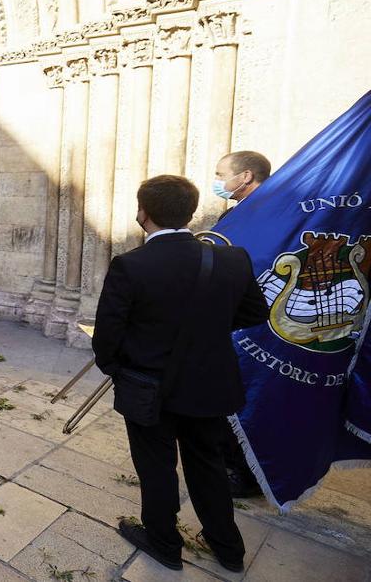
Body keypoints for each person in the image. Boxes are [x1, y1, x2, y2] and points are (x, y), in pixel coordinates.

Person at [93, 175, 267, 574]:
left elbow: (108, 336)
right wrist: (208, 332)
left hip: (148, 386)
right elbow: (255, 313)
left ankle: (164, 542)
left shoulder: (131, 265)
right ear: (190, 213)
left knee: (156, 465)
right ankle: (228, 548)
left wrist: (120, 370)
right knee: (207, 463)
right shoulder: (231, 258)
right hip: (210, 381)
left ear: (143, 212)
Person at [211, 150, 272, 498]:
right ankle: (230, 462)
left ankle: (242, 472)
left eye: (221, 174)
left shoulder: (269, 216)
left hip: (254, 323)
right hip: (233, 320)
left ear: (245, 176)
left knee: (245, 396)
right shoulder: (243, 213)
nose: (218, 181)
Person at [213, 150, 271, 219]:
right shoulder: (228, 215)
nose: (216, 180)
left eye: (221, 175)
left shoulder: (267, 213)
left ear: (246, 177)